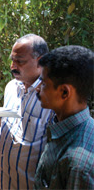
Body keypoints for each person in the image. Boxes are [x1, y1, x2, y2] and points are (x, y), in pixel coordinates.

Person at [0, 34, 54, 189]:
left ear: (41, 61)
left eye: (20, 61)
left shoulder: (52, 97)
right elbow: (4, 122)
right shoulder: (11, 87)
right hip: (4, 179)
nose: (12, 66)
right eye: (12, 59)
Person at [34, 45, 94, 189]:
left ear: (64, 93)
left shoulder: (78, 165)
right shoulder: (66, 128)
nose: (37, 89)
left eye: (43, 84)